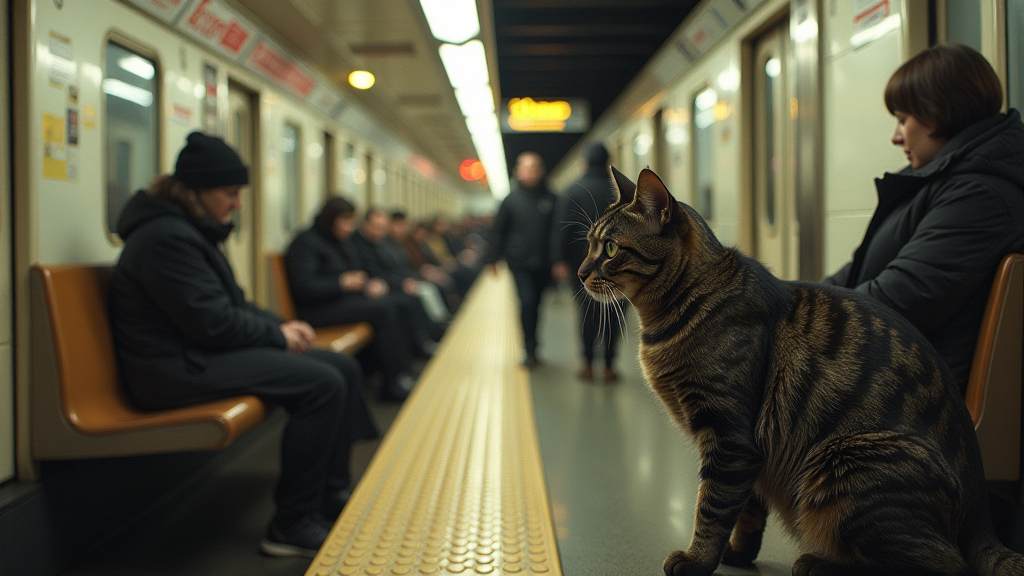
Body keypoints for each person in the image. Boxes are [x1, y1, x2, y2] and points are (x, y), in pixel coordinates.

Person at [110, 132, 377, 558]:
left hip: (198, 355)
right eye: (230, 194)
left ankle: (332, 495)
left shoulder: (188, 231)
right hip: (172, 369)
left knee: (340, 367)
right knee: (321, 383)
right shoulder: (167, 239)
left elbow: (233, 306)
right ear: (195, 191)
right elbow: (211, 323)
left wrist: (284, 325)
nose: (236, 204)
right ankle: (291, 523)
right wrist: (277, 337)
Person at [822, 43, 1024, 395]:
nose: (895, 136)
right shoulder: (940, 181)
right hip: (900, 375)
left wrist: (798, 319)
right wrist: (787, 300)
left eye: (903, 119)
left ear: (940, 113)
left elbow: (901, 300)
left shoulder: (979, 196)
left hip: (921, 401)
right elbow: (857, 270)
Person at [284, 198, 420, 401]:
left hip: (338, 303)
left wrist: (366, 284)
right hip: (316, 310)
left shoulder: (339, 242)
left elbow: (355, 272)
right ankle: (392, 383)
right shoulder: (306, 242)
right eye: (345, 222)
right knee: (383, 309)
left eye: (351, 222)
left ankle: (399, 371)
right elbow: (305, 287)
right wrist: (341, 283)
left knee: (392, 302)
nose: (349, 228)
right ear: (331, 220)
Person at [551, 143, 624, 382]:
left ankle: (588, 364)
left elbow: (561, 228)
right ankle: (610, 365)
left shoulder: (571, 190)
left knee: (586, 313)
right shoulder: (622, 190)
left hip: (581, 264)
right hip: (617, 264)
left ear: (584, 163)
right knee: (614, 314)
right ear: (607, 162)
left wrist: (559, 260)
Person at [484, 151, 557, 368]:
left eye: (534, 167)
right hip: (519, 263)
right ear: (517, 171)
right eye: (526, 168)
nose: (530, 172)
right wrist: (493, 259)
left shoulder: (552, 198)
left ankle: (534, 345)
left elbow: (559, 231)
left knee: (537, 304)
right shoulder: (510, 201)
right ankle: (529, 348)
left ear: (541, 171)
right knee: (526, 302)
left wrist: (559, 260)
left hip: (544, 263)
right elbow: (498, 231)